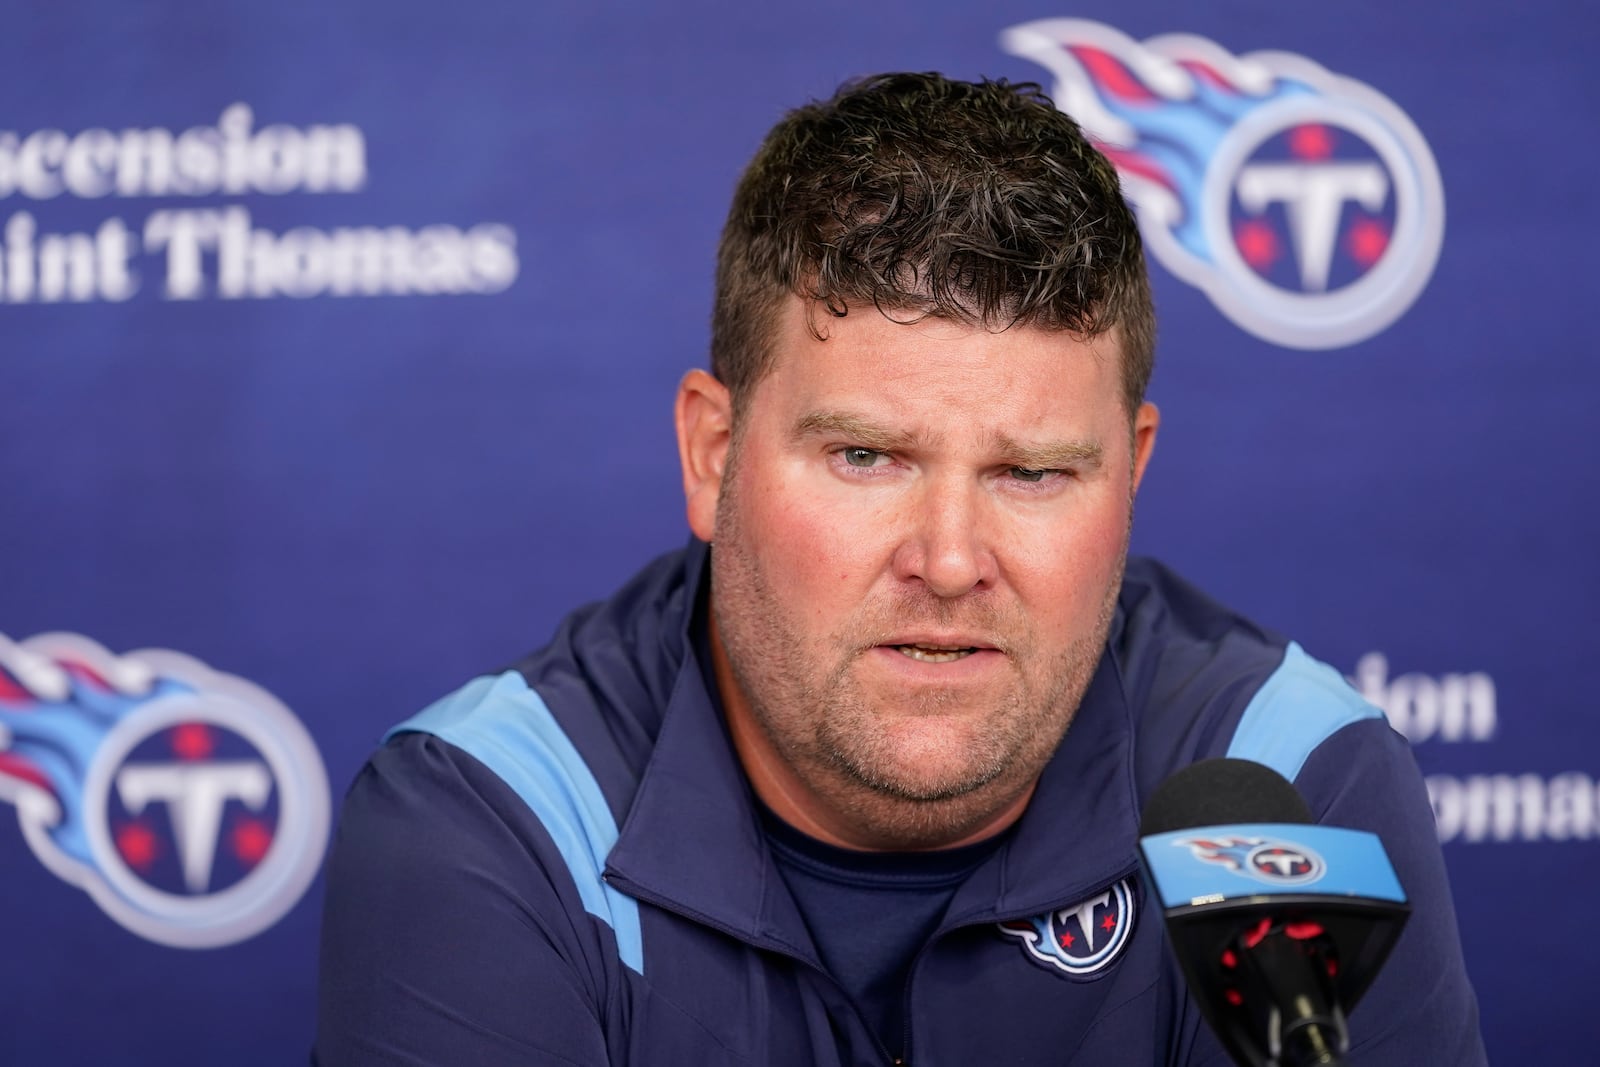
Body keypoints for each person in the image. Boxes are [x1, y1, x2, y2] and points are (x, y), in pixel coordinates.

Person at [314, 73, 1485, 1065]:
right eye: (867, 456)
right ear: (711, 453)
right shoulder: (494, 818)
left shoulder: (1287, 778)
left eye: (1032, 472)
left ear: (1130, 474)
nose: (949, 559)